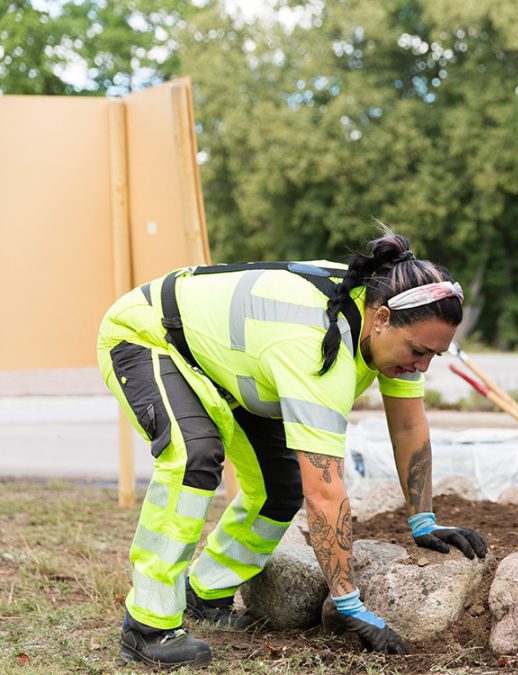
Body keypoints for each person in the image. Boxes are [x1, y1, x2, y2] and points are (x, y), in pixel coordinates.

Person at [97, 230, 487, 667]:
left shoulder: (395, 324)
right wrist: (350, 603)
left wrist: (422, 519)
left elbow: (409, 425)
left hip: (235, 365)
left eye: (434, 355)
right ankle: (147, 627)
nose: (422, 366)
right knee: (194, 456)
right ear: (380, 319)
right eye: (419, 351)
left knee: (278, 489)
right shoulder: (316, 347)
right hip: (150, 335)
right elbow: (324, 492)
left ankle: (205, 593)